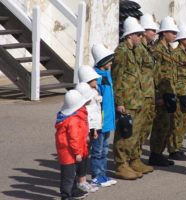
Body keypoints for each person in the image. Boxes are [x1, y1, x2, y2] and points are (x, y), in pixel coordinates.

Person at [112, 16, 145, 180]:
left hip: (136, 99)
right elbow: (117, 78)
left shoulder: (133, 50)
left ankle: (131, 161)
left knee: (134, 134)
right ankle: (121, 165)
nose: (140, 37)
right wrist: (119, 102)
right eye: (138, 34)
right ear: (129, 35)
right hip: (126, 101)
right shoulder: (122, 52)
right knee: (124, 134)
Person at [129, 13, 159, 174]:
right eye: (152, 30)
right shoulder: (138, 49)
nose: (154, 33)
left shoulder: (148, 48)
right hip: (142, 94)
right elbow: (137, 72)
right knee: (137, 129)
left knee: (145, 129)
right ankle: (132, 159)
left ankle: (137, 158)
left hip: (150, 93)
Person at [148, 16, 179, 166]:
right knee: (159, 126)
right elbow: (155, 74)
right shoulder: (157, 51)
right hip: (161, 93)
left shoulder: (169, 49)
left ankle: (159, 153)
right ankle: (155, 154)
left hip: (169, 92)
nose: (175, 35)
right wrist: (158, 96)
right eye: (172, 32)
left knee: (167, 125)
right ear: (164, 33)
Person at [55, 89, 95, 200]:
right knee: (68, 176)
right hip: (69, 152)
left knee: (71, 174)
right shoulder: (73, 119)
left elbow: (80, 132)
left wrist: (86, 135)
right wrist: (78, 153)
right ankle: (66, 195)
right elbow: (74, 138)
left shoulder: (72, 116)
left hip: (68, 150)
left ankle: (73, 192)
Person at [90, 44, 118, 186]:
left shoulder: (106, 75)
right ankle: (96, 176)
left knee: (104, 150)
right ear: (102, 62)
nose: (111, 63)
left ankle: (103, 175)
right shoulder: (96, 78)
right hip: (99, 122)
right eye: (109, 60)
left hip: (106, 121)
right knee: (98, 151)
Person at [167, 23, 186, 160]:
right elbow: (174, 75)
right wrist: (180, 93)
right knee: (177, 122)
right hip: (179, 93)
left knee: (183, 122)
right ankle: (174, 149)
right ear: (181, 39)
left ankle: (178, 146)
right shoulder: (177, 54)